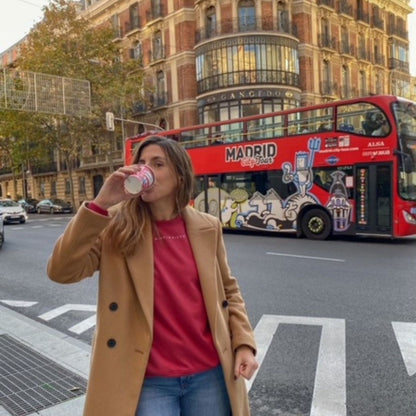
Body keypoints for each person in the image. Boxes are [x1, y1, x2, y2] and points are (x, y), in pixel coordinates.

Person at [47, 135, 258, 416]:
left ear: (180, 177)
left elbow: (228, 291)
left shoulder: (207, 227)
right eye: (142, 163)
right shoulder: (115, 226)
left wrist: (243, 343)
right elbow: (62, 272)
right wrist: (100, 203)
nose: (145, 170)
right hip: (147, 379)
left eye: (158, 164)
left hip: (209, 373)